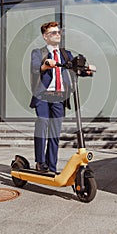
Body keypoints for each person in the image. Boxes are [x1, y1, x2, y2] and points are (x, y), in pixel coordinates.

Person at [29, 21, 73, 173]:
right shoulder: (38, 53)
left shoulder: (66, 54)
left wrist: (85, 70)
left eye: (58, 32)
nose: (57, 35)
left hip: (59, 97)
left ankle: (52, 165)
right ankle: (40, 162)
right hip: (42, 96)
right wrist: (46, 65)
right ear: (45, 37)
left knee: (55, 132)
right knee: (42, 122)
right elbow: (36, 68)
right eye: (53, 32)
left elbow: (74, 68)